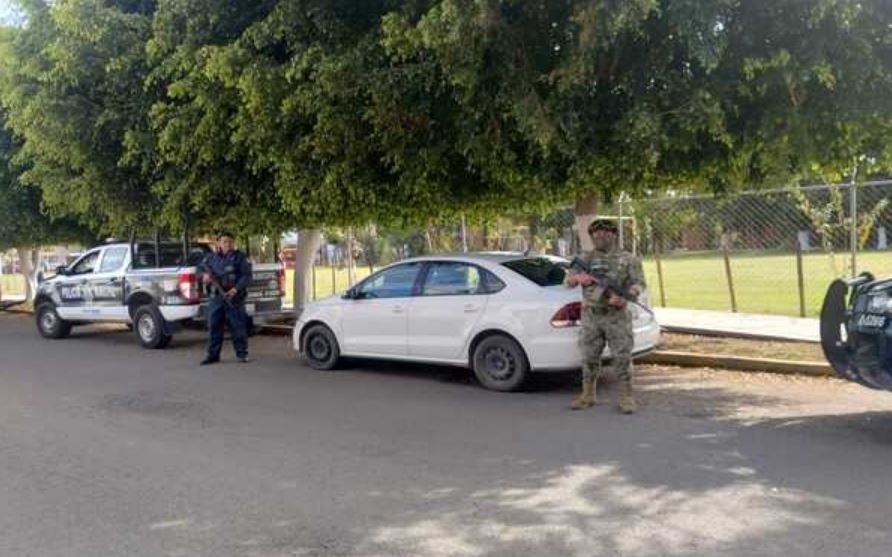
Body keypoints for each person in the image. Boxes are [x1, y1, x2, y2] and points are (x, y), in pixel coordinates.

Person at [565, 219, 646, 413]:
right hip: (591, 316)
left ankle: (626, 398)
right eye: (595, 235)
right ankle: (588, 395)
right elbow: (567, 281)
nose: (599, 238)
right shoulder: (585, 258)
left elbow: (639, 283)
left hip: (616, 317)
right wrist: (578, 278)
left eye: (604, 234)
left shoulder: (628, 259)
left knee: (622, 358)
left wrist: (626, 297)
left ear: (614, 235)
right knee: (589, 357)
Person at [199, 232, 252, 365]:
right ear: (219, 243)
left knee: (238, 326)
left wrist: (236, 289)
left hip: (234, 297)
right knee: (214, 326)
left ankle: (242, 354)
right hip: (216, 298)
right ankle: (213, 355)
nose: (227, 244)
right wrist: (204, 276)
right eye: (224, 242)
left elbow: (247, 276)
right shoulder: (211, 258)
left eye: (229, 241)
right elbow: (199, 270)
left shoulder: (239, 257)